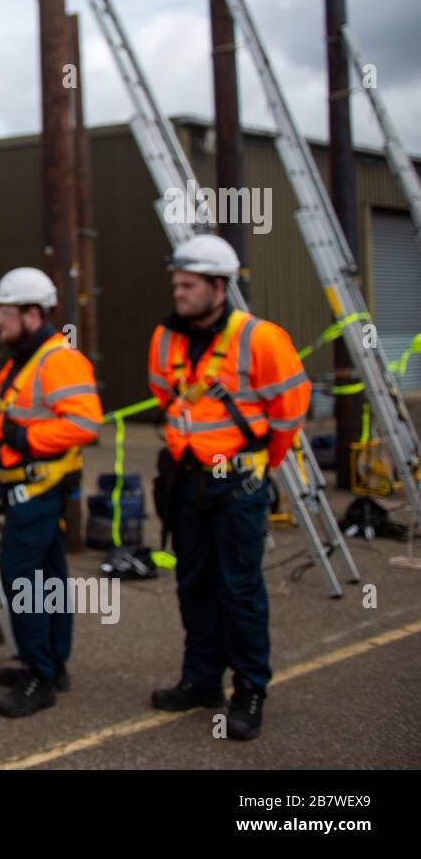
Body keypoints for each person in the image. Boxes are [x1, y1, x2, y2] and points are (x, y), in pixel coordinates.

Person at [147, 234, 310, 741]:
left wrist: (256, 466)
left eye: (189, 284)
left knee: (239, 590)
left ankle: (250, 690)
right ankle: (201, 681)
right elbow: (164, 394)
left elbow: (290, 412)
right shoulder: (166, 338)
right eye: (176, 282)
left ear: (220, 286)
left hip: (237, 486)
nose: (179, 292)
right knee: (193, 585)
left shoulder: (261, 339)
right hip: (187, 485)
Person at [0, 267, 102, 717]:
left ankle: (39, 673)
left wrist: (23, 437)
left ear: (32, 314)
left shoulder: (56, 359)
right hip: (31, 491)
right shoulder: (28, 359)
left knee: (22, 577)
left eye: (6, 313)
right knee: (48, 577)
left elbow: (85, 423)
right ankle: (52, 663)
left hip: (38, 490)